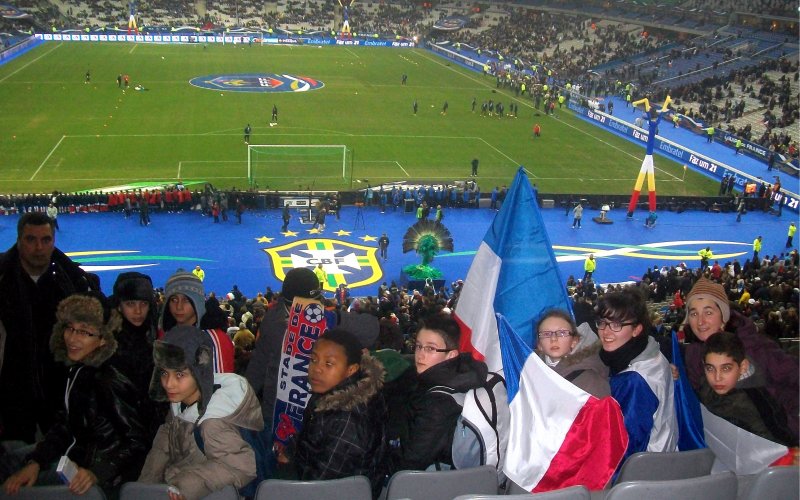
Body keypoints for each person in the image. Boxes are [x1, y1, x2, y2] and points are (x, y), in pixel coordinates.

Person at [1, 293, 149, 497]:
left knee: (9, 488)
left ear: (103, 339)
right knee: (10, 459)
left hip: (94, 476)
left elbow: (137, 441)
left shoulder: (107, 379)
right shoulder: (78, 370)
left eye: (84, 332)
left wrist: (97, 473)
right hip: (73, 460)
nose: (72, 338)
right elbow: (65, 426)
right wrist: (36, 462)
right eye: (70, 328)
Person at [0, 212, 100, 443]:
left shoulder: (73, 283)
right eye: (31, 239)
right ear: (19, 240)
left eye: (45, 240)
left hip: (60, 399)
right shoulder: (3, 280)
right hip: (10, 400)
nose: (39, 247)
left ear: (53, 241)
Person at [138, 326, 263, 500]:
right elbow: (163, 448)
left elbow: (241, 467)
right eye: (165, 373)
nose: (169, 384)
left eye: (180, 375)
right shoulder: (180, 403)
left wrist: (183, 487)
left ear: (199, 372)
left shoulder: (213, 422)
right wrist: (144, 489)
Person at [682, 277, 799, 440]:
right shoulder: (692, 356)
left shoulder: (757, 347)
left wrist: (790, 426)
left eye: (708, 312)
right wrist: (674, 374)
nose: (700, 322)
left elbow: (794, 378)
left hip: (777, 440)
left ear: (724, 316)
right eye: (694, 313)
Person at [289, 329, 387, 497]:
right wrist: (291, 450)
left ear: (351, 370)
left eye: (328, 364)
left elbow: (323, 487)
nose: (316, 369)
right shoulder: (331, 391)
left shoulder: (348, 419)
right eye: (313, 359)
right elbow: (310, 433)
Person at [390, 314, 487, 471]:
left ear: (451, 355)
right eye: (418, 346)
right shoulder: (422, 378)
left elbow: (412, 460)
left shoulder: (439, 402)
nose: (420, 354)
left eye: (430, 348)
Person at [596, 288, 677, 466]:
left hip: (643, 471)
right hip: (661, 458)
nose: (606, 332)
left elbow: (625, 447)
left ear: (636, 329)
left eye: (617, 324)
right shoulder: (646, 351)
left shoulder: (634, 381)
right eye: (602, 322)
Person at [698, 332, 796, 446]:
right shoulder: (705, 388)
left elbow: (772, 445)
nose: (717, 377)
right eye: (710, 369)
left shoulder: (757, 403)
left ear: (743, 367)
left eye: (726, 369)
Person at [109, 272, 162, 439]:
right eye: (130, 303)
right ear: (119, 305)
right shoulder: (107, 346)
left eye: (143, 303)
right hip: (120, 437)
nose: (138, 311)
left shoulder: (153, 339)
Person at [159, 269, 235, 374]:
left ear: (197, 302)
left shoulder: (214, 339)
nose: (179, 307)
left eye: (186, 300)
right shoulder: (163, 336)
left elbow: (220, 382)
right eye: (174, 300)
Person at [535, 310, 610, 398]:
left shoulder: (591, 380)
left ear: (574, 341)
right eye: (546, 334)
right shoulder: (530, 371)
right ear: (539, 345)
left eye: (562, 333)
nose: (553, 338)